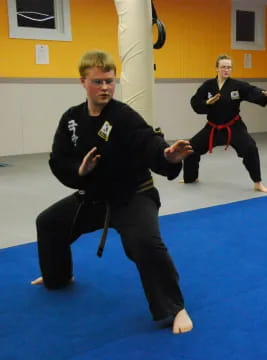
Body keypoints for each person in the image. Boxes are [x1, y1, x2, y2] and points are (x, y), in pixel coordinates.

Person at [31, 50, 194, 334]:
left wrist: (166, 156)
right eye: (98, 82)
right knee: (49, 222)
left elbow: (148, 141)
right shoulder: (71, 119)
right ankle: (57, 276)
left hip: (133, 196)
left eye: (110, 81)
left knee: (145, 243)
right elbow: (59, 159)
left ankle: (175, 307)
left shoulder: (123, 116)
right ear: (83, 82)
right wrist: (79, 172)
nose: (105, 87)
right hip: (96, 196)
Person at [183, 54, 267, 192]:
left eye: (229, 67)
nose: (226, 70)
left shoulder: (237, 86)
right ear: (217, 69)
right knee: (190, 148)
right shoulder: (207, 86)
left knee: (250, 148)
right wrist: (207, 103)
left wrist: (264, 94)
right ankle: (191, 177)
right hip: (213, 127)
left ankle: (257, 182)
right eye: (223, 67)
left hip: (233, 126)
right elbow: (195, 102)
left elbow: (252, 91)